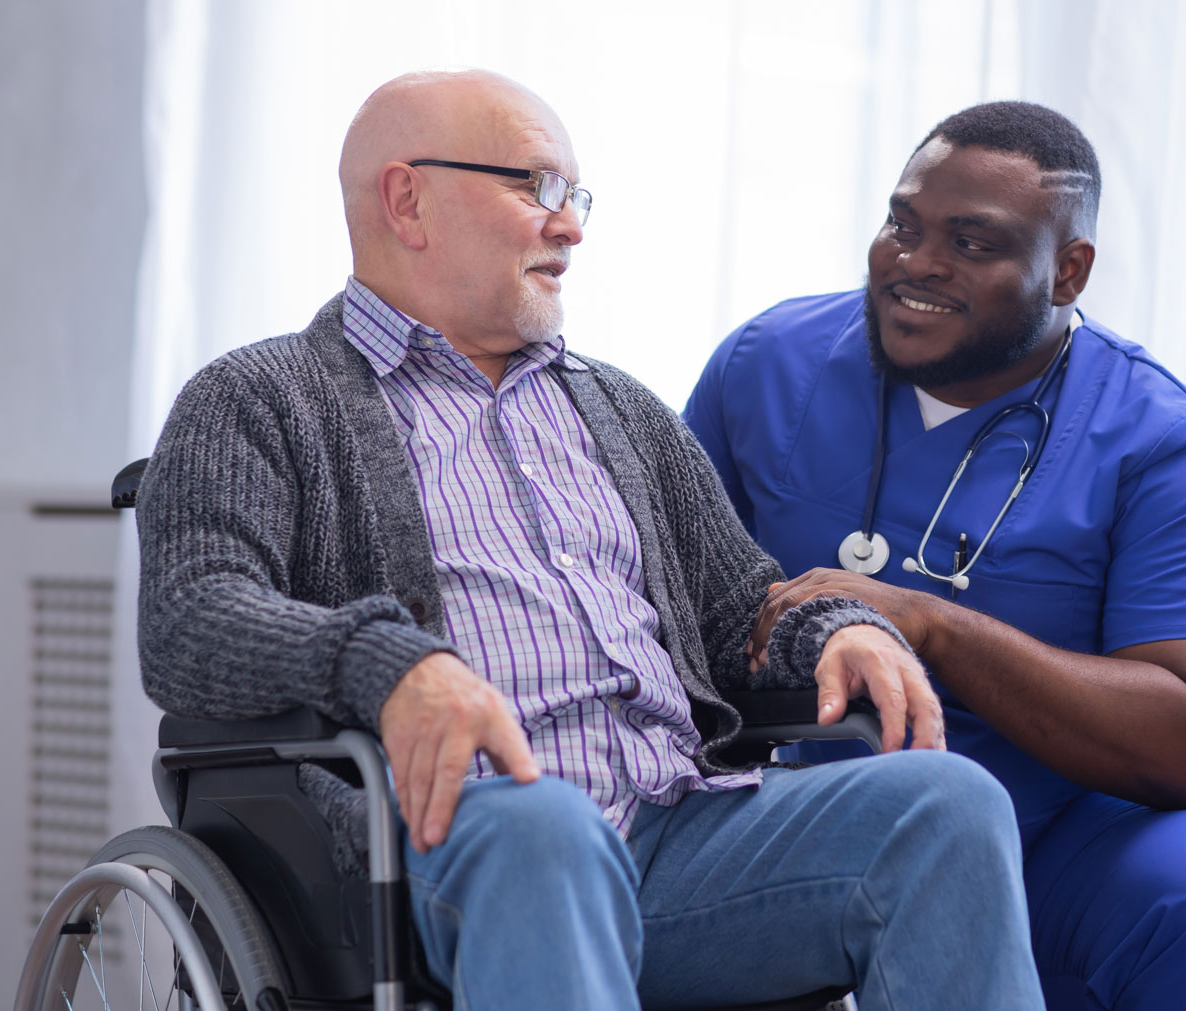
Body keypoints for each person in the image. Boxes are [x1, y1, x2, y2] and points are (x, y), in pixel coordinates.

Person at [134, 71, 1044, 1010]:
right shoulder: (258, 397)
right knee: (547, 830)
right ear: (408, 200)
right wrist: (390, 664)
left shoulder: (621, 409)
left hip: (680, 834)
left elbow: (741, 607)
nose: (570, 226)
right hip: (446, 847)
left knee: (947, 803)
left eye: (576, 196)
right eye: (536, 186)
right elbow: (189, 619)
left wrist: (833, 630)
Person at [684, 101, 1186, 1010]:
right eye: (903, 224)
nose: (916, 262)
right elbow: (665, 603)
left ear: (1068, 272)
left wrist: (931, 625)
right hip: (805, 803)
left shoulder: (1170, 443)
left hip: (1062, 825)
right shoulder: (765, 364)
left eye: (971, 243)